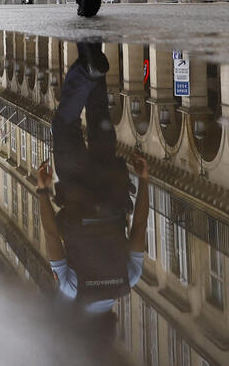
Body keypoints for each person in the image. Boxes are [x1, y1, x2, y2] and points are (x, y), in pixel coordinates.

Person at [35, 42, 150, 315]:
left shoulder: (128, 280)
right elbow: (52, 235)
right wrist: (43, 192)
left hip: (110, 183)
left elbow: (140, 226)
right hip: (76, 189)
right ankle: (88, 68)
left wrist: (144, 179)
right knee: (64, 125)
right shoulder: (72, 290)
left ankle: (92, 50)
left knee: (99, 113)